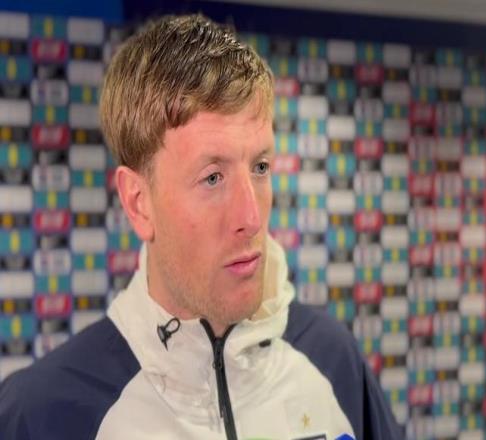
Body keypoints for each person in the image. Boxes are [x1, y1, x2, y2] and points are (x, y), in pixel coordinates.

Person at [0, 14, 404, 440]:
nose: (251, 218)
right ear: (138, 203)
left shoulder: (333, 361)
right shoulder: (42, 414)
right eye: (212, 178)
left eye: (260, 167)